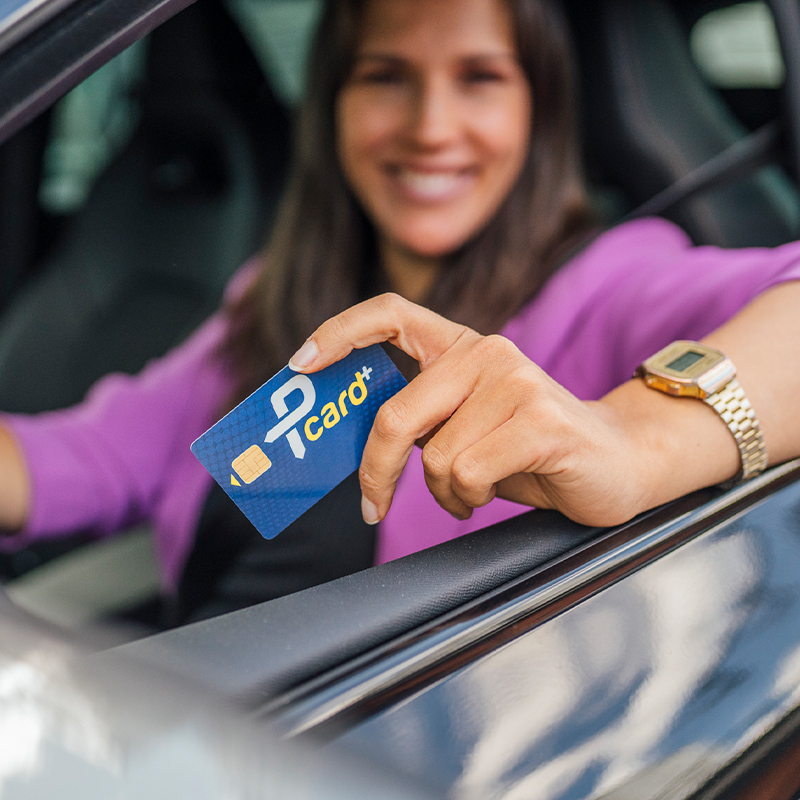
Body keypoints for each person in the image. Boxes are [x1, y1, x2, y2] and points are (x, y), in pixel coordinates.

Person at [0, 0, 799, 624]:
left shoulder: (604, 284)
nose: (430, 128)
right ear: (334, 105)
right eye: (386, 75)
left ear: (540, 109)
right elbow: (89, 457)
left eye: (480, 76)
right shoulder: (281, 296)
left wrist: (634, 438)